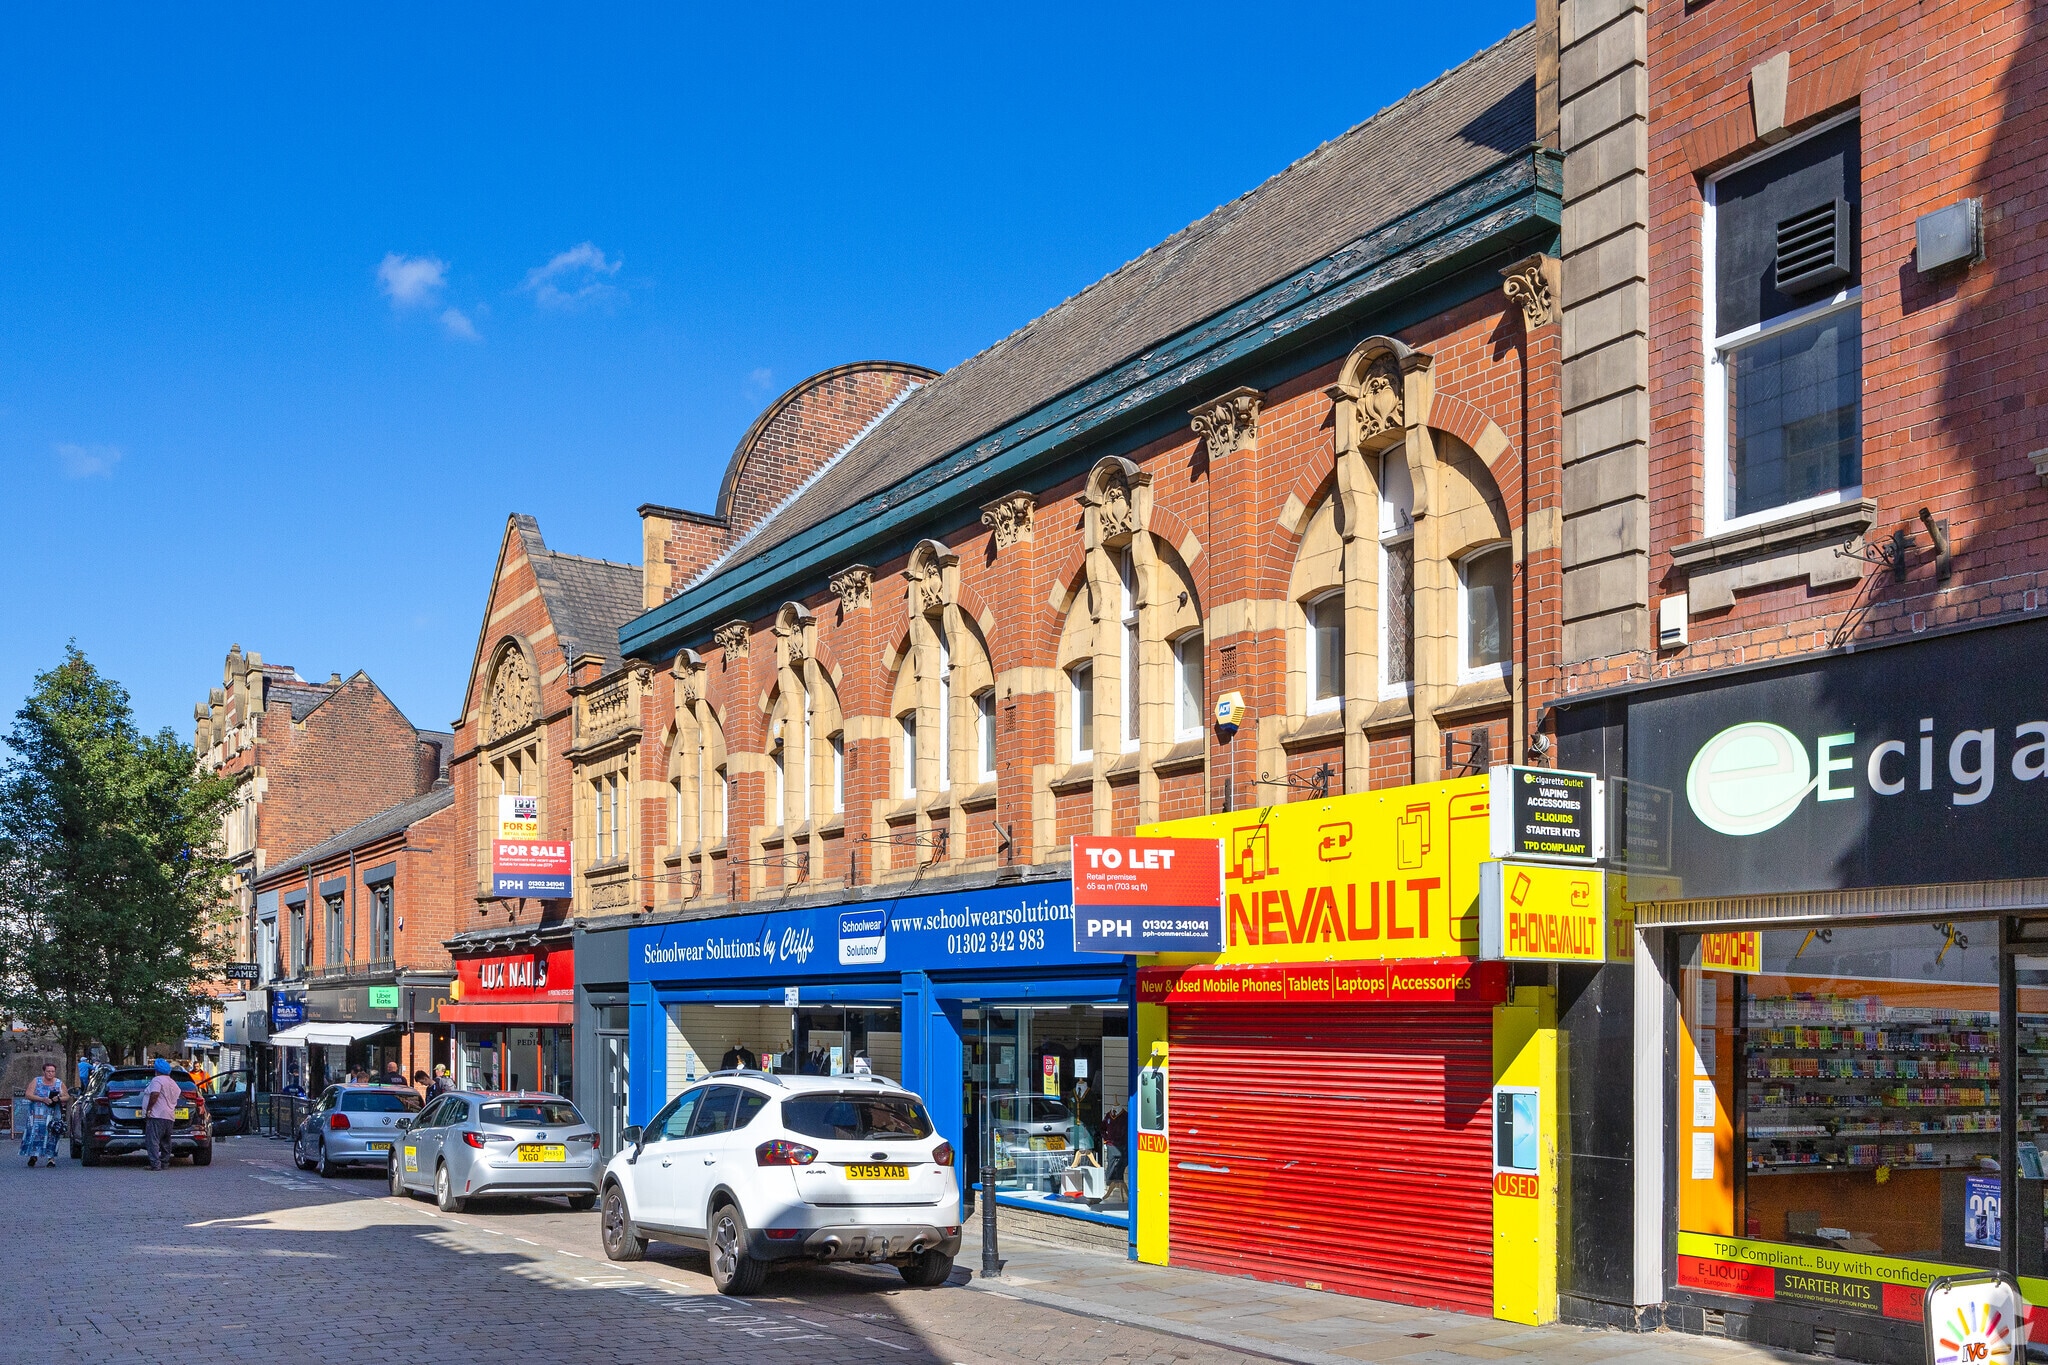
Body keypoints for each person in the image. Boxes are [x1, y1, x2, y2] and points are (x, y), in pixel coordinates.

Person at [19, 1063, 67, 1168]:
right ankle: (33, 1156)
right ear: (44, 1072)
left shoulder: (59, 1083)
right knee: (35, 1133)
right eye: (48, 1071)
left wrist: (58, 1098)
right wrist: (42, 1099)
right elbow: (28, 1094)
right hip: (37, 1114)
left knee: (52, 1134)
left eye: (53, 1071)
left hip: (52, 1114)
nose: (51, 1073)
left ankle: (51, 1158)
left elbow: (66, 1096)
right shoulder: (36, 1081)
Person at [140, 1059, 181, 1172]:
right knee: (166, 1141)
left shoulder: (157, 1080)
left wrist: (149, 1109)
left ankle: (155, 1164)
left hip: (157, 1114)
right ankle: (165, 1162)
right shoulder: (173, 1083)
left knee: (153, 1140)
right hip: (169, 1115)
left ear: (157, 1070)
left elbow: (155, 1094)